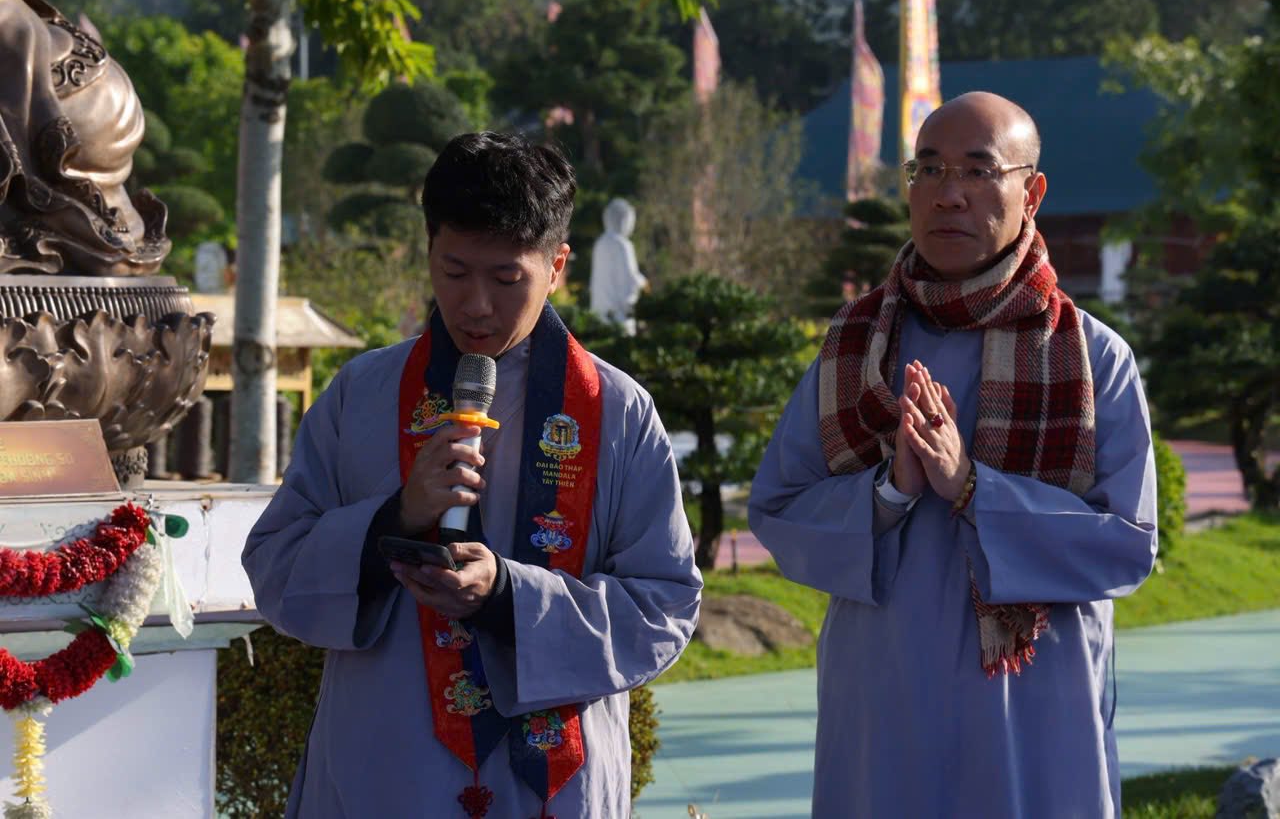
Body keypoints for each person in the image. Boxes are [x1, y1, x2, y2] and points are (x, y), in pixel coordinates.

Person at [242, 132, 701, 818]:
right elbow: (275, 569)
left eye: (507, 279)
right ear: (429, 250)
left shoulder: (617, 411)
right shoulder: (362, 395)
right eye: (454, 273)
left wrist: (508, 595)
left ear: (558, 266)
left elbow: (664, 609)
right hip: (388, 769)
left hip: (554, 786)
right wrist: (395, 517)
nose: (476, 305)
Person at [749, 92, 1157, 818]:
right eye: (929, 169)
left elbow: (1126, 544)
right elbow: (780, 509)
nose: (949, 194)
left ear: (1032, 192)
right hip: (884, 695)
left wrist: (973, 487)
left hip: (1034, 703)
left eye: (977, 170)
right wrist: (890, 490)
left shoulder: (1091, 357)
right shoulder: (857, 349)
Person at [588, 197, 647, 335]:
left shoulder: (600, 243)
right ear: (623, 220)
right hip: (619, 314)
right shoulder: (623, 245)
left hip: (599, 311)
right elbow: (630, 279)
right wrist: (643, 283)